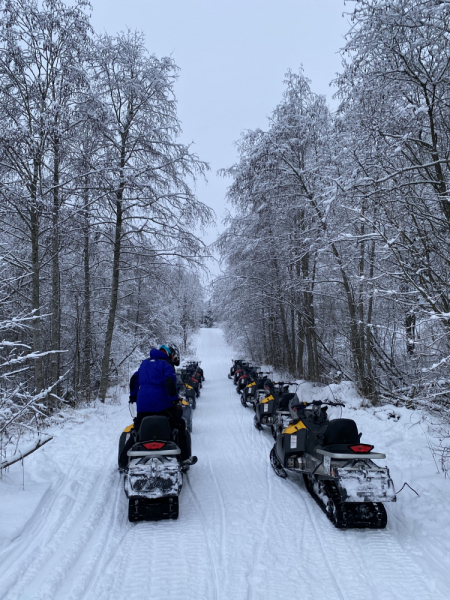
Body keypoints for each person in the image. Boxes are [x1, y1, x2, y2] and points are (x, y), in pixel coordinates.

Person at [129, 343, 192, 463]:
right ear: (169, 354)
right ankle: (184, 458)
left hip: (143, 406)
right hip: (162, 404)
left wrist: (133, 396)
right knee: (179, 424)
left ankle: (122, 460)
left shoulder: (144, 363)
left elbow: (134, 379)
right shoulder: (166, 364)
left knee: (137, 428)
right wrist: (173, 399)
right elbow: (169, 382)